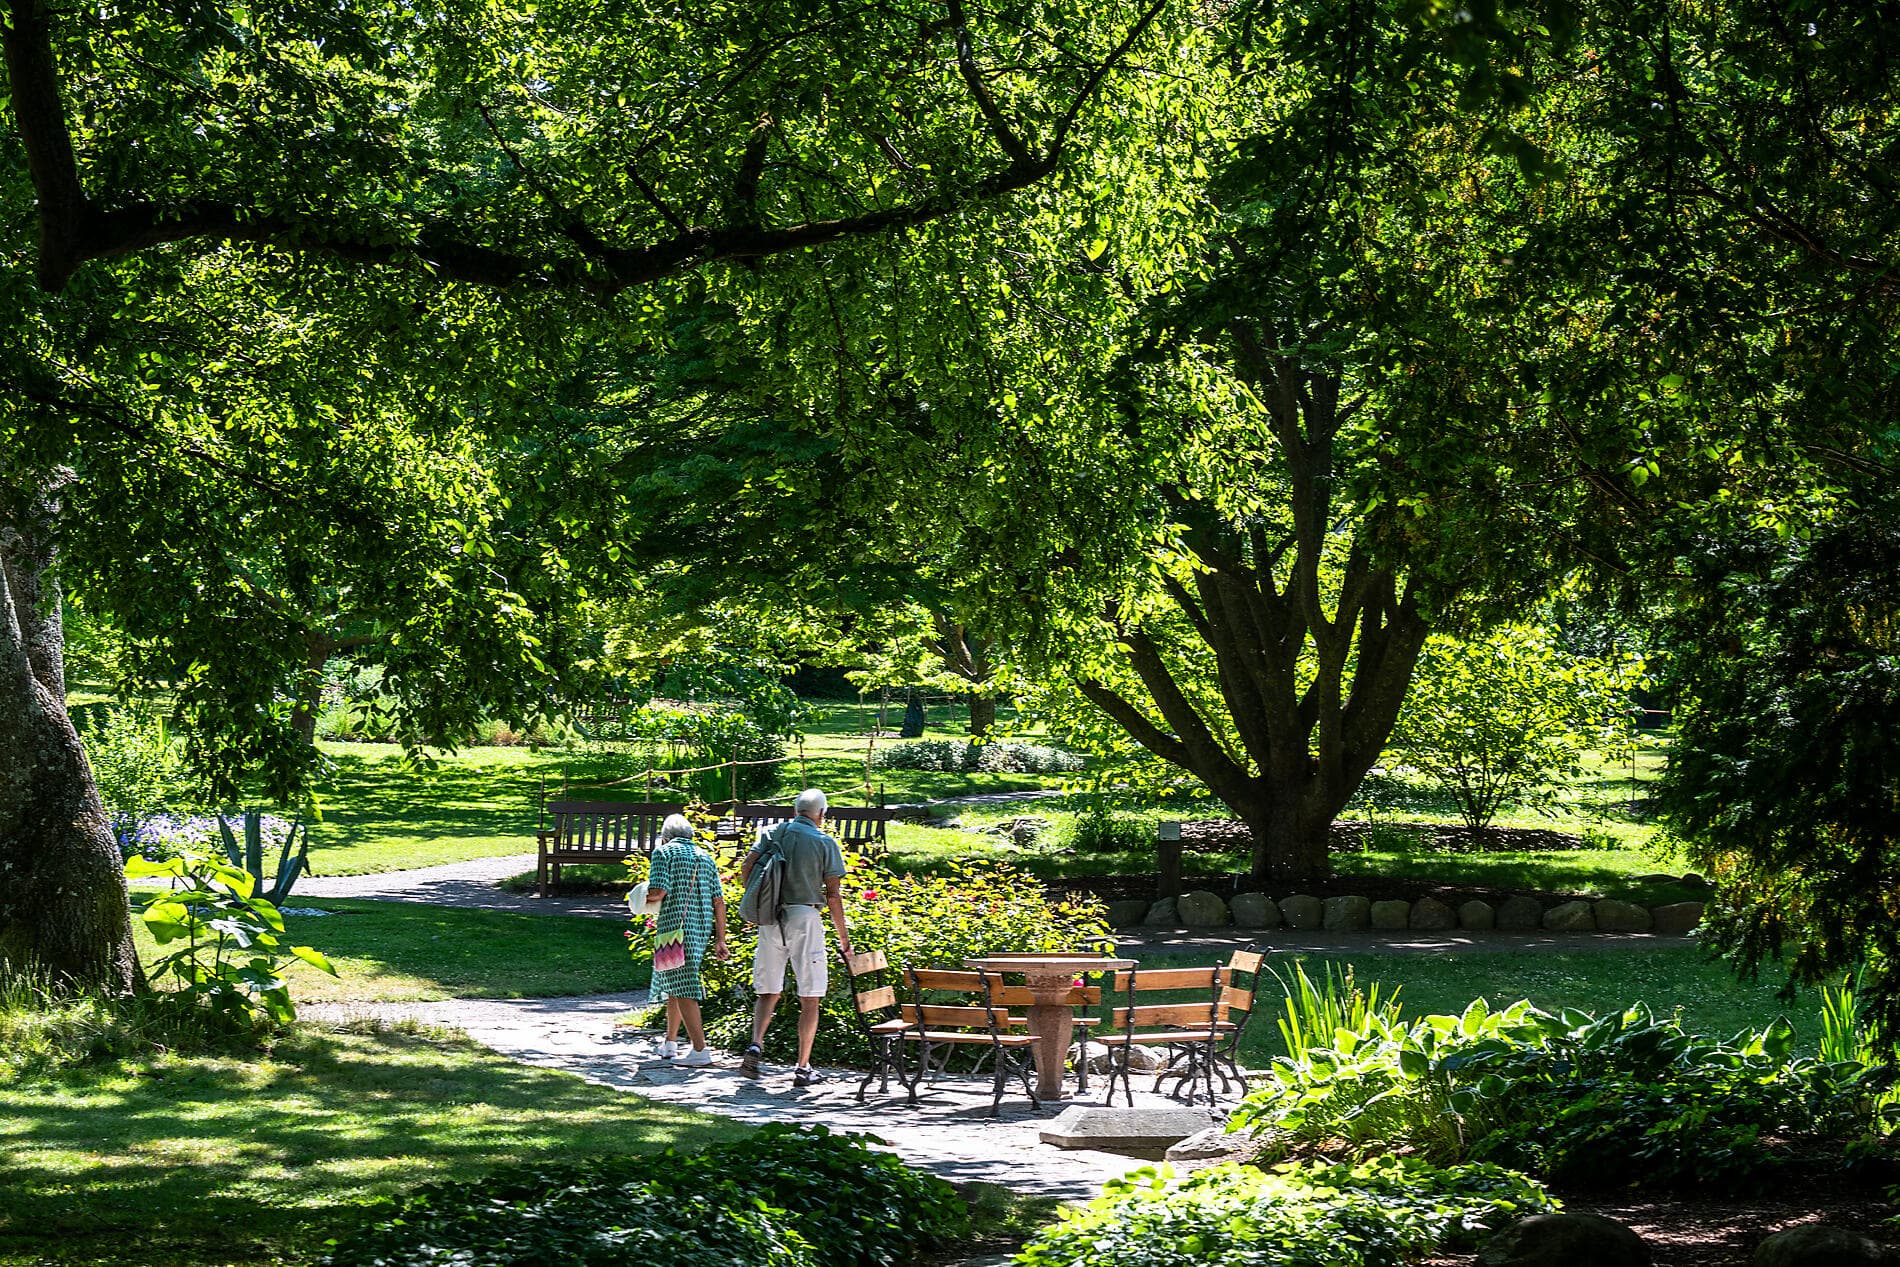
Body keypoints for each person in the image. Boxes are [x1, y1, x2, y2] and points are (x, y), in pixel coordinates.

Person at [740, 787, 852, 1086]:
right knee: (810, 995)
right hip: (804, 916)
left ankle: (756, 1043)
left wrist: (756, 902)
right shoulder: (824, 842)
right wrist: (844, 936)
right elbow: (832, 894)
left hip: (770, 917)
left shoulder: (772, 833)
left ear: (794, 811)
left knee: (768, 990)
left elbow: (746, 866)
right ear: (822, 814)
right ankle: (803, 1067)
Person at [645, 813, 729, 1066]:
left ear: (665, 835)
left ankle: (700, 1050)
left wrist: (639, 897)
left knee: (684, 988)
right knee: (675, 984)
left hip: (673, 928)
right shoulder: (705, 856)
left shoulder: (663, 853)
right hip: (699, 928)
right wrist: (721, 938)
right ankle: (670, 1042)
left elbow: (658, 891)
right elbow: (719, 900)